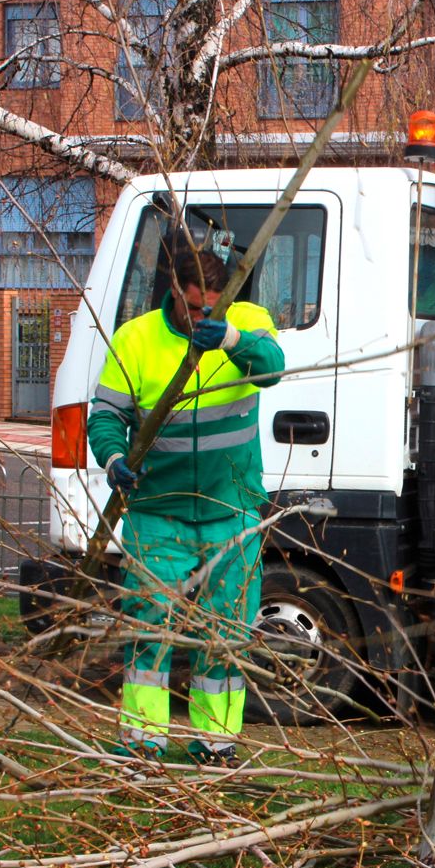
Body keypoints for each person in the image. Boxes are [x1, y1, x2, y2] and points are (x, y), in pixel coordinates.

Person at [88, 237, 285, 766]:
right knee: (149, 631)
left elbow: (271, 367)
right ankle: (143, 743)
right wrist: (113, 460)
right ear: (175, 290)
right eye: (194, 306)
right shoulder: (137, 340)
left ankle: (216, 745)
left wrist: (231, 336)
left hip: (232, 510)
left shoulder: (246, 320)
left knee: (225, 636)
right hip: (156, 512)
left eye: (211, 307)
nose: (202, 316)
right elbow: (105, 417)